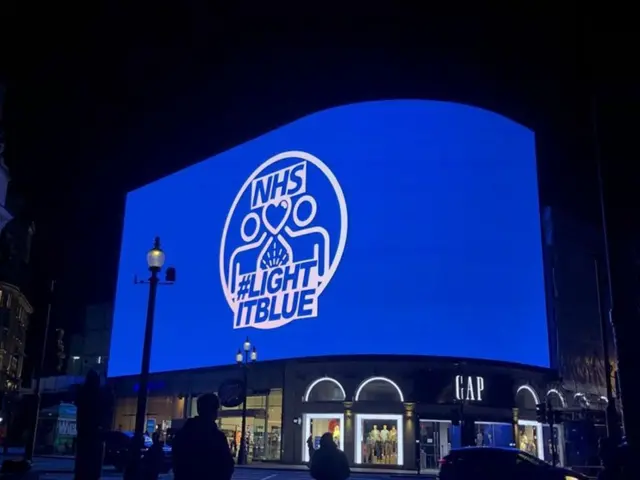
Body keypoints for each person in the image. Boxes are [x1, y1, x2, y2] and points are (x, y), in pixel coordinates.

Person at [172, 393, 235, 480]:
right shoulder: (217, 437)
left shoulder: (182, 435)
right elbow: (227, 466)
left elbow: (177, 465)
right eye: (216, 409)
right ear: (213, 411)